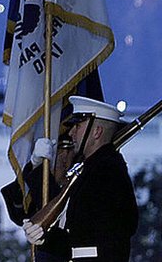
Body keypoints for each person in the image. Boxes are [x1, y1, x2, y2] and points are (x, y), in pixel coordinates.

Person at [22, 96, 138, 261]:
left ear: (97, 131)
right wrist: (44, 235)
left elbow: (107, 234)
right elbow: (77, 231)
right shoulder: (91, 168)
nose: (71, 132)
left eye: (78, 125)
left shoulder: (106, 170)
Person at [0, 134, 74, 261]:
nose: (64, 158)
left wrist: (37, 171)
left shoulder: (80, 181)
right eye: (59, 151)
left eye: (68, 150)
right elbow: (21, 212)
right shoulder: (36, 184)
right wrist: (35, 166)